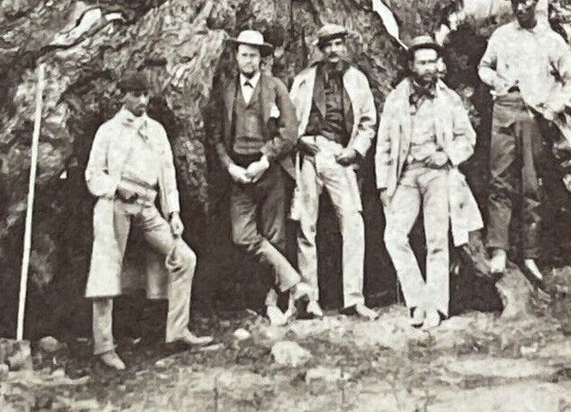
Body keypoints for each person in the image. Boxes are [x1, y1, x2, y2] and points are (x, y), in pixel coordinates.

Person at [85, 73, 213, 372]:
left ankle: (177, 331)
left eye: (146, 95)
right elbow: (93, 174)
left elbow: (167, 175)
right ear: (123, 97)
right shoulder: (108, 131)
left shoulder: (155, 131)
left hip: (148, 205)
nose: (142, 101)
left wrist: (174, 213)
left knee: (184, 257)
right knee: (107, 269)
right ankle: (104, 345)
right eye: (136, 95)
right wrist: (116, 187)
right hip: (115, 203)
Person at [477, 0, 571, 287]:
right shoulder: (501, 36)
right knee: (499, 179)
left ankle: (531, 254)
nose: (523, 6)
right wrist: (498, 82)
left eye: (528, 0)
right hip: (504, 111)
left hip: (535, 115)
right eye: (517, 2)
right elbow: (484, 67)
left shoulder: (552, 40)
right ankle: (498, 249)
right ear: (512, 7)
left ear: (536, 2)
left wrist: (553, 106)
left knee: (531, 186)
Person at [205, 28, 315, 319]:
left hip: (271, 171)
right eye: (243, 54)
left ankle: (271, 305)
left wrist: (265, 159)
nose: (248, 60)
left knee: (275, 237)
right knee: (242, 236)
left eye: (254, 55)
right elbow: (215, 135)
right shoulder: (226, 89)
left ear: (262, 59)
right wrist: (230, 166)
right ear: (236, 56)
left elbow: (289, 133)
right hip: (239, 173)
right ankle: (294, 282)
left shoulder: (275, 87)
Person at [376, 36, 483, 332]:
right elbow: (384, 143)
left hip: (438, 175)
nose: (427, 68)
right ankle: (417, 300)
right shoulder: (396, 99)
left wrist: (446, 155)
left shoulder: (449, 99)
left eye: (431, 62)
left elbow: (467, 138)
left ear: (438, 64)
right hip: (407, 175)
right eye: (421, 62)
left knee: (437, 241)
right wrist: (384, 185)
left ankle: (436, 306)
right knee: (394, 237)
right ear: (411, 65)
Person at [287, 23, 378, 319]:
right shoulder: (303, 80)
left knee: (353, 222)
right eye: (327, 45)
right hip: (310, 153)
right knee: (305, 225)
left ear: (345, 46)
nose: (333, 50)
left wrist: (354, 151)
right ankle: (309, 298)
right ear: (320, 49)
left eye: (338, 44)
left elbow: (367, 123)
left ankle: (354, 298)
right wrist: (300, 141)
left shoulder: (357, 80)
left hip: (340, 154)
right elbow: (288, 120)